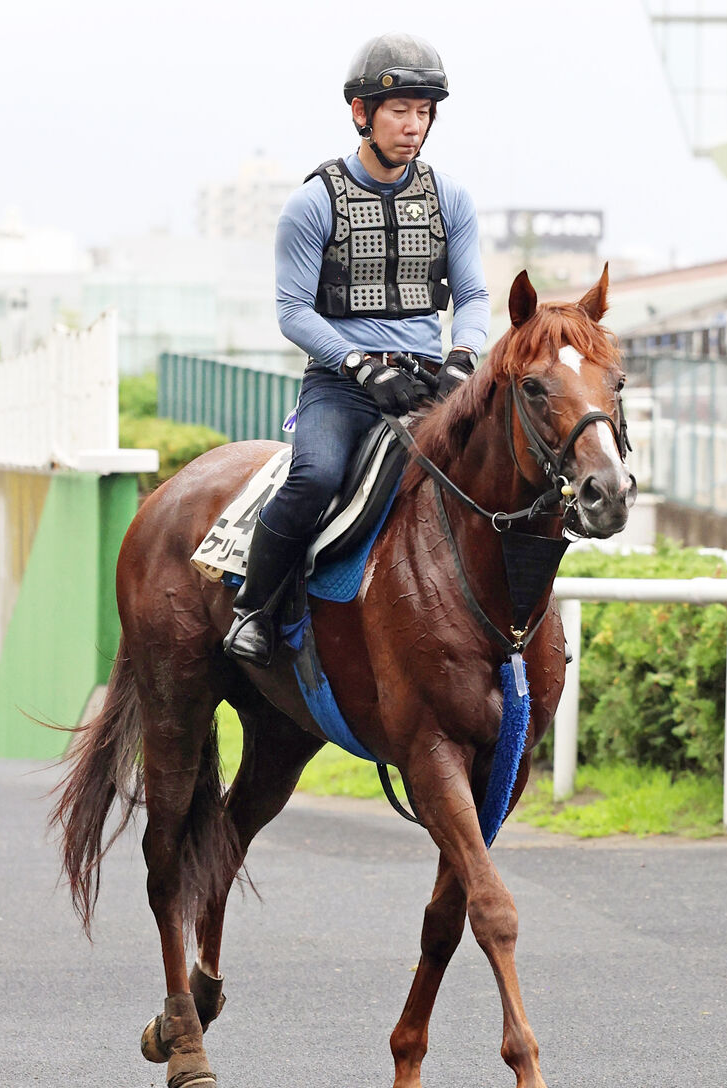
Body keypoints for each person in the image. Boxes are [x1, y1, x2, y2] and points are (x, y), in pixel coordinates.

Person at [224, 31, 491, 667]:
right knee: (314, 476)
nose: (414, 125)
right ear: (361, 113)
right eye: (400, 110)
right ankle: (254, 610)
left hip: (431, 382)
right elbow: (292, 312)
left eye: (424, 112)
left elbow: (475, 294)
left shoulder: (450, 198)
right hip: (342, 386)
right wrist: (359, 364)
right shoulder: (311, 203)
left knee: (503, 472)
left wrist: (464, 355)